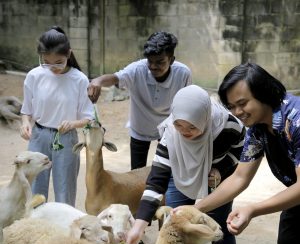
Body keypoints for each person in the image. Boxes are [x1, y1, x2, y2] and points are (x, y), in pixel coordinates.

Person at [189, 62, 300, 244]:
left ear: (264, 93)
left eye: (242, 103)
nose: (238, 112)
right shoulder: (258, 127)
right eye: (232, 107)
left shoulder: (296, 119)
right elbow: (239, 177)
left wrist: (252, 209)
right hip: (296, 200)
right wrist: (195, 209)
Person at [126, 85, 246, 244]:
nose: (184, 132)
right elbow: (156, 180)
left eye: (191, 127)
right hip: (181, 174)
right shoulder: (171, 134)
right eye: (178, 125)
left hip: (216, 179)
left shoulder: (227, 126)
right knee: (173, 225)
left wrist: (222, 168)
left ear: (205, 119)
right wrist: (139, 224)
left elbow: (241, 148)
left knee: (218, 227)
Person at [88, 31, 192, 170]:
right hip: (140, 127)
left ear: (171, 60)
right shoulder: (137, 69)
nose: (154, 66)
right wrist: (98, 81)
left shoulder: (183, 73)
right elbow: (116, 78)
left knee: (168, 169)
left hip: (169, 128)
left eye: (160, 62)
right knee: (136, 171)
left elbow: (187, 103)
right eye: (150, 61)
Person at [20, 26, 94, 207]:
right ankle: (36, 225)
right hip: (39, 136)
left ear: (69, 54)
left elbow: (88, 117)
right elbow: (26, 109)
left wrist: (73, 123)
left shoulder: (79, 79)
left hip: (66, 138)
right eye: (47, 62)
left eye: (59, 62)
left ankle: (64, 229)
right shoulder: (34, 75)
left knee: (64, 188)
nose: (53, 68)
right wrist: (25, 123)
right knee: (35, 186)